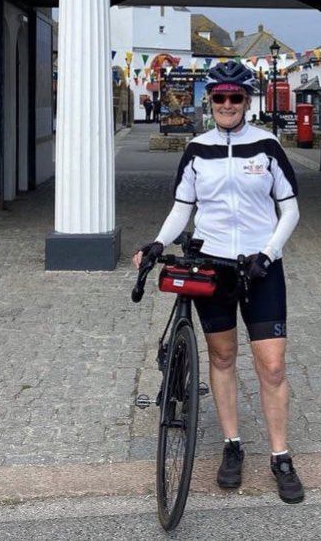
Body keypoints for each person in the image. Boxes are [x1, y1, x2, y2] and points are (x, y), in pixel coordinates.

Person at [133, 59, 304, 503]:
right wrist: (157, 242)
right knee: (223, 358)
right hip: (211, 266)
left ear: (247, 102)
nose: (227, 104)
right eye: (219, 98)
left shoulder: (267, 146)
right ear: (210, 102)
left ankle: (280, 454)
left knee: (272, 365)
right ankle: (232, 446)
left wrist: (266, 254)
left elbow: (290, 210)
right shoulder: (197, 149)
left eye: (236, 98)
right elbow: (182, 208)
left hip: (260, 268)